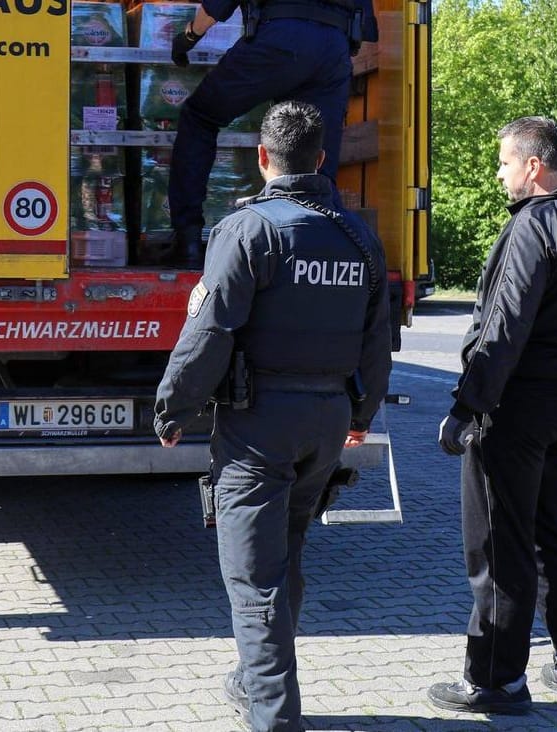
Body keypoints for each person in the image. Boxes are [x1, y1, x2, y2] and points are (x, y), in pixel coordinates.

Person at [154, 101, 391, 731]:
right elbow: (377, 340)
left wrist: (173, 408)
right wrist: (360, 414)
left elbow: (211, 330)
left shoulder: (249, 230)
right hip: (325, 423)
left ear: (263, 158)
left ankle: (275, 717)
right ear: (321, 158)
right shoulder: (358, 236)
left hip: (260, 425)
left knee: (254, 580)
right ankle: (250, 680)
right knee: (284, 559)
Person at [427, 116, 557, 714]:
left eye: (505, 162)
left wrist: (467, 406)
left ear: (534, 166)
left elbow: (502, 328)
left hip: (514, 409)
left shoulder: (531, 229)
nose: (499, 172)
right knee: (549, 534)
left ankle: (495, 680)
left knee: (498, 543)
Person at [167, 0, 377, 267]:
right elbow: (366, 28)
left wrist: (188, 37)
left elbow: (216, 6)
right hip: (334, 50)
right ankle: (318, 255)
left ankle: (188, 241)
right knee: (312, 151)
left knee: (199, 116)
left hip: (280, 38)